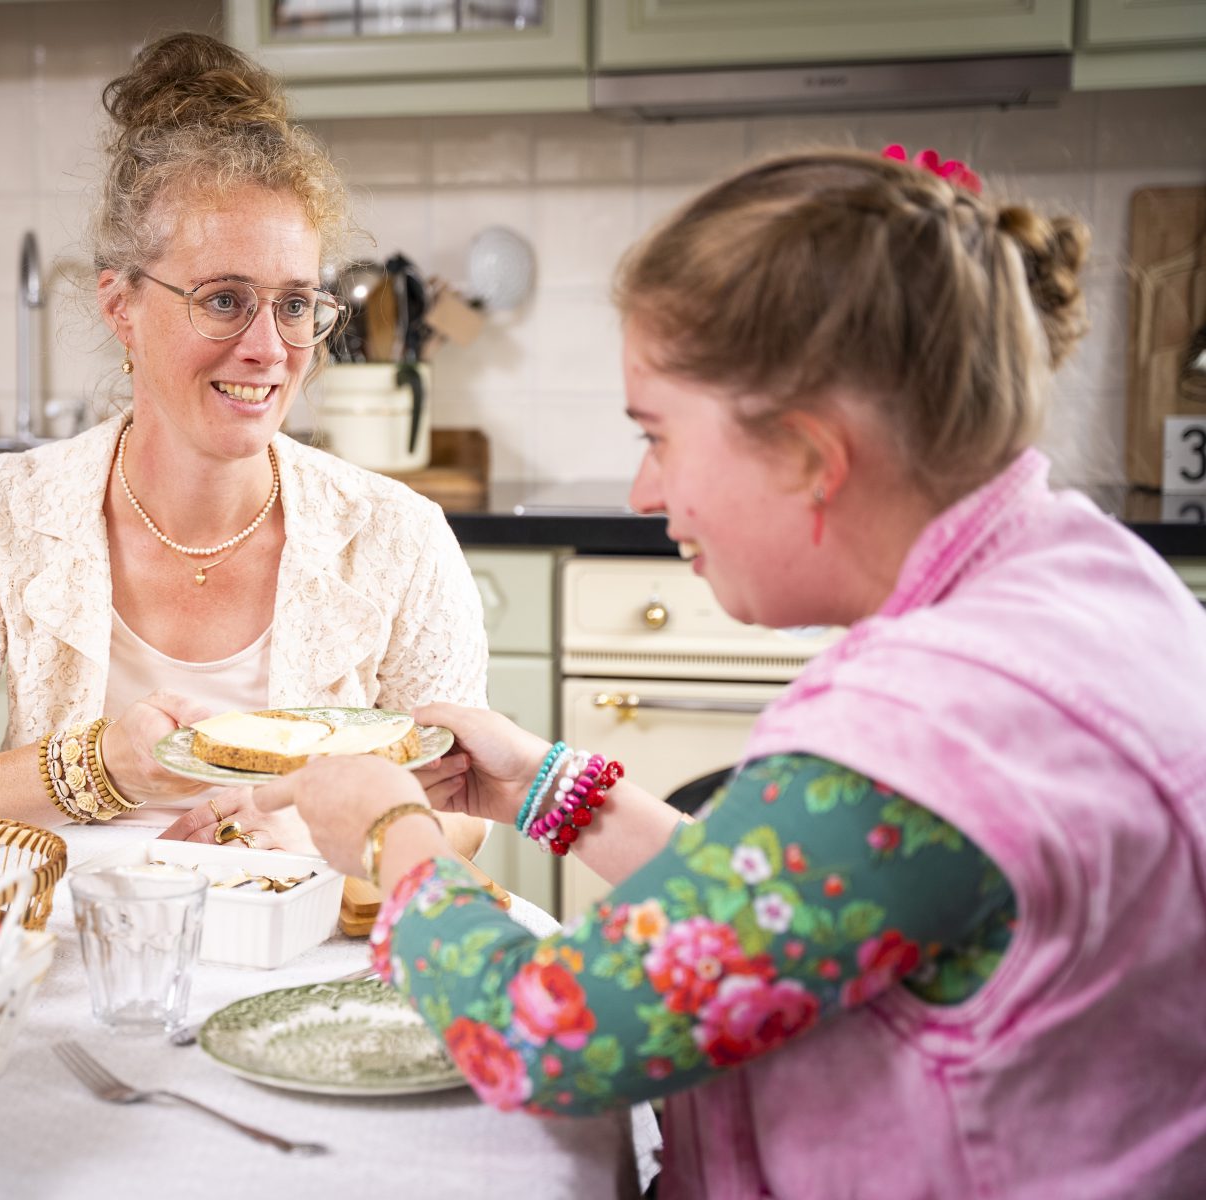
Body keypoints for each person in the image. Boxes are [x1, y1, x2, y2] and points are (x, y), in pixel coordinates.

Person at [262, 147, 1206, 1196]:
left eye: (658, 437)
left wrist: (393, 838)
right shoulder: (1097, 577)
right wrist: (542, 787)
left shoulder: (937, 724)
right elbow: (788, 904)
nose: (641, 491)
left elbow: (551, 1036)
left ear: (809, 454)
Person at [0, 32, 486, 858]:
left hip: (307, 934)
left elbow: (460, 810)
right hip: (63, 928)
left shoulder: (397, 536)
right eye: (224, 300)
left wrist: (315, 832)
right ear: (121, 306)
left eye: (295, 304)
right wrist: (99, 767)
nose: (269, 349)